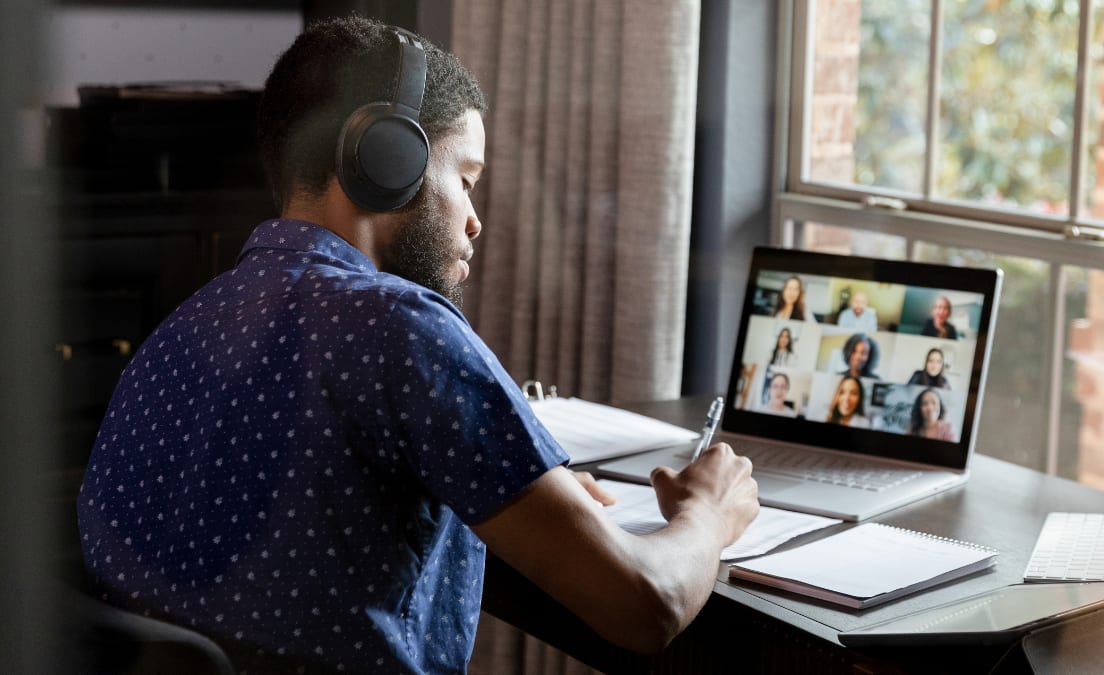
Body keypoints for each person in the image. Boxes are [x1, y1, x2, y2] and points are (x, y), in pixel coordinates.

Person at [75, 17, 759, 674]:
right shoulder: (400, 326)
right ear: (385, 155)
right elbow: (646, 603)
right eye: (464, 178)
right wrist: (710, 511)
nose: (474, 217)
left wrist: (516, 486)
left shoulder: (183, 324)